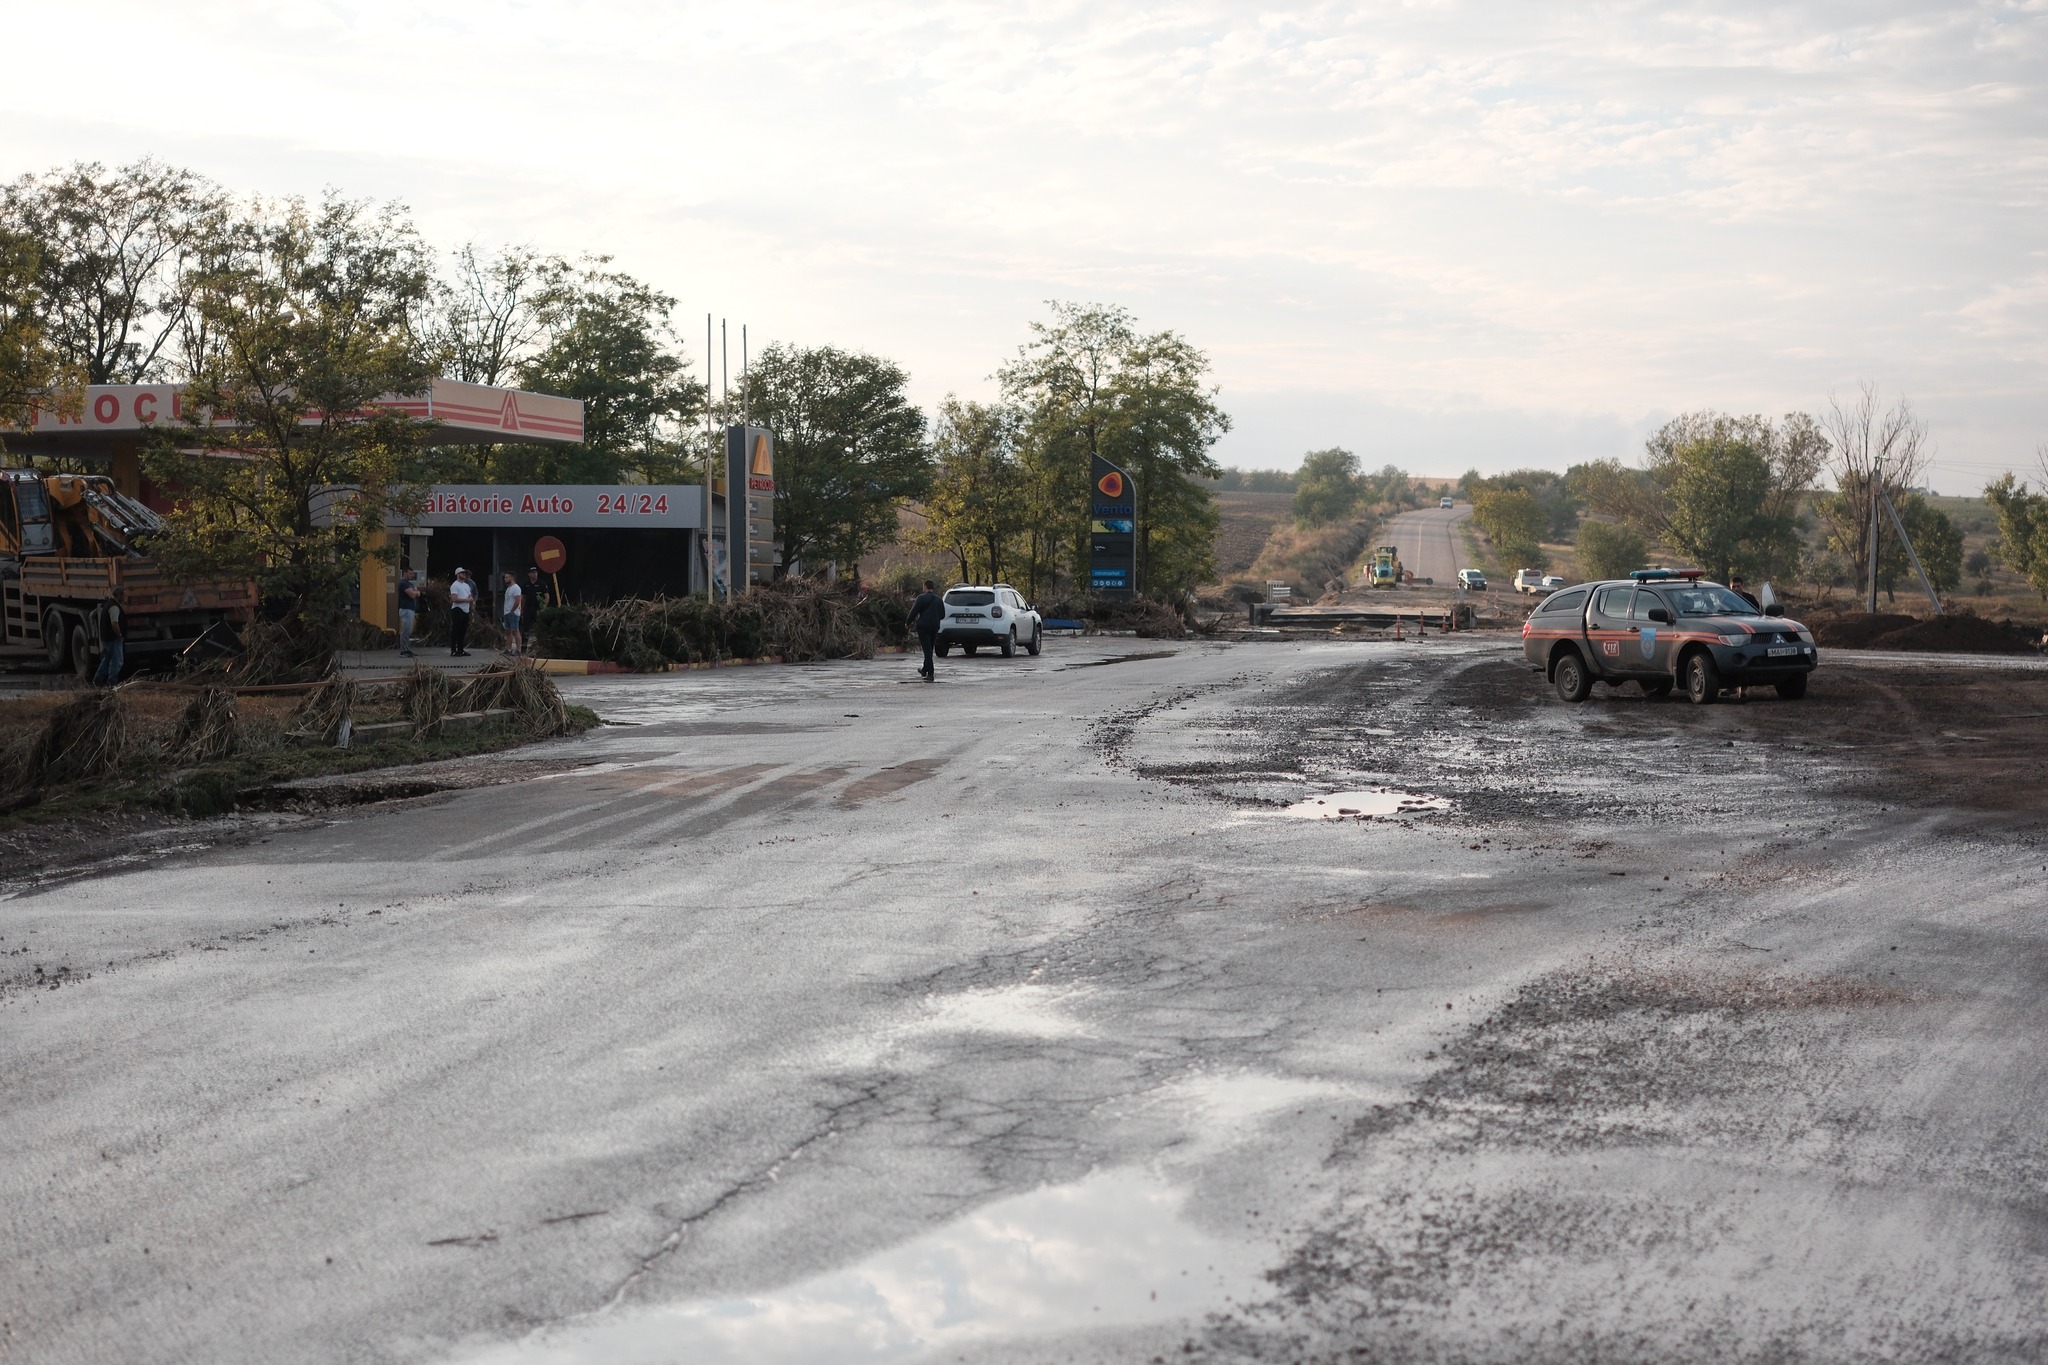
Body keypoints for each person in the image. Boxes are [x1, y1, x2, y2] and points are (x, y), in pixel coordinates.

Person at [906, 578, 945, 681]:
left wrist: (908, 622)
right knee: (930, 649)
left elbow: (914, 612)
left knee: (927, 650)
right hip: (935, 626)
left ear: (925, 587)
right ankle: (924, 670)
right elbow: (943, 615)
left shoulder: (921, 598)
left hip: (923, 627)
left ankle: (930, 673)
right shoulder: (939, 600)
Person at [91, 587, 126, 686]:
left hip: (107, 638)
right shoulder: (114, 607)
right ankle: (112, 681)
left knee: (107, 659)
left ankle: (98, 679)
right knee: (117, 660)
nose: (125, 598)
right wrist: (119, 635)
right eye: (123, 595)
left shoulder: (109, 604)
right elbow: (114, 623)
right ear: (118, 596)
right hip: (113, 638)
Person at [447, 568, 474, 656]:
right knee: (456, 630)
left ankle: (461, 649)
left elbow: (470, 596)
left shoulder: (466, 585)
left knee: (463, 631)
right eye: (462, 573)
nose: (464, 574)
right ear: (458, 574)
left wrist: (469, 600)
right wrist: (466, 600)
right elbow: (454, 599)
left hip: (466, 610)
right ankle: (453, 650)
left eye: (464, 573)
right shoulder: (455, 585)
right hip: (458, 609)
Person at [521, 567, 548, 651]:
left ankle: (540, 647)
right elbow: (523, 597)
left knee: (539, 627)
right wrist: (522, 609)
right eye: (532, 572)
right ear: (529, 574)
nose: (534, 574)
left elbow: (547, 596)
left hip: (538, 608)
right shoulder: (526, 584)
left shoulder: (541, 584)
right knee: (526, 628)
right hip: (528, 608)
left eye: (535, 572)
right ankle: (524, 647)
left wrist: (543, 607)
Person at [396, 567, 420, 658]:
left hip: (410, 609)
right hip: (406, 609)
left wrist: (415, 592)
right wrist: (415, 592)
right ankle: (403, 651)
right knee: (406, 630)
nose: (412, 575)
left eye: (412, 573)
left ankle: (407, 649)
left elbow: (418, 593)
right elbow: (413, 594)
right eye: (410, 573)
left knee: (409, 630)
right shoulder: (403, 583)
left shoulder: (409, 584)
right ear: (405, 573)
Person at [500, 572, 523, 654]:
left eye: (507, 577)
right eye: (505, 577)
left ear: (512, 577)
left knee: (515, 631)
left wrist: (512, 610)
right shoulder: (508, 588)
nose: (505, 579)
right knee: (508, 631)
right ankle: (508, 649)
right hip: (507, 613)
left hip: (513, 613)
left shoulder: (516, 588)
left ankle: (518, 649)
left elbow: (517, 600)